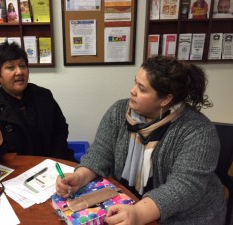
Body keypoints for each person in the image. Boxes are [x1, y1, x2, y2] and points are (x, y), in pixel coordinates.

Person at [56, 56, 227, 225]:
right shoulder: (118, 111)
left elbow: (184, 187)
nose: (132, 90)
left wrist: (139, 213)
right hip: (127, 203)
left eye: (142, 89)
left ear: (166, 99)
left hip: (185, 216)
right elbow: (101, 152)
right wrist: (80, 176)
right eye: (135, 82)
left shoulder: (198, 131)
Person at [0, 42, 75, 162]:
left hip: (51, 164)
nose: (19, 72)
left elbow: (60, 129)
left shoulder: (43, 95)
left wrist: (54, 161)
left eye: (23, 66)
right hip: (11, 170)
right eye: (11, 67)